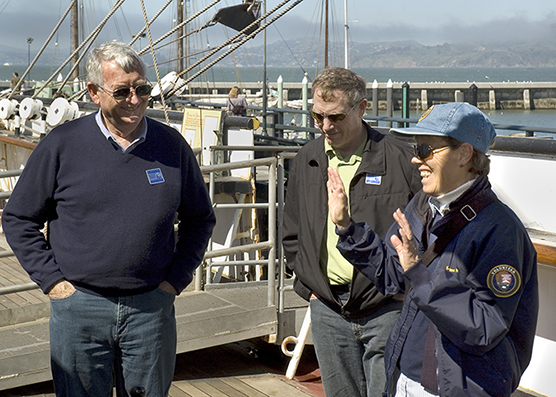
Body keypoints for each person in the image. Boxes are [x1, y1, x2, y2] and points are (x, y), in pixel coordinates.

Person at [2, 40, 216, 396]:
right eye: (122, 91)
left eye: (142, 89)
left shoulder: (172, 145)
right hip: (79, 309)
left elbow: (200, 220)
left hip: (150, 310)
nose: (135, 100)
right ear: (94, 93)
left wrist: (173, 283)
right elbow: (19, 219)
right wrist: (54, 284)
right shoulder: (62, 144)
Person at [328, 102, 539, 397]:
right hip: (405, 378)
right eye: (417, 150)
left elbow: (484, 327)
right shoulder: (424, 206)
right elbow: (392, 275)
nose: (417, 160)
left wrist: (419, 273)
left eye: (425, 150)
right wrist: (347, 228)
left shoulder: (500, 230)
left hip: (456, 388)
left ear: (464, 154)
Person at [282, 67, 422, 397]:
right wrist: (310, 287)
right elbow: (292, 230)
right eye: (317, 117)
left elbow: (428, 232)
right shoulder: (307, 158)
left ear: (361, 108)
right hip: (328, 308)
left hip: (387, 307)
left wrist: (404, 287)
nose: (325, 126)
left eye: (335, 117)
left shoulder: (402, 161)